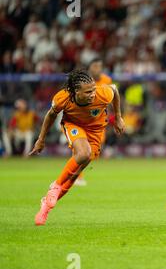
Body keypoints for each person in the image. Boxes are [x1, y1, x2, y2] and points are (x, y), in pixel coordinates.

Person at [29, 69, 125, 226]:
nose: (93, 94)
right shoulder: (63, 98)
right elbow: (51, 115)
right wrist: (41, 139)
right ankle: (56, 185)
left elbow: (114, 90)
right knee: (83, 153)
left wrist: (119, 118)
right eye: (88, 92)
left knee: (74, 175)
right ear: (75, 91)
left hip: (96, 131)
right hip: (73, 125)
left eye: (93, 90)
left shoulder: (102, 93)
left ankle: (46, 206)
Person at [71, 58, 113, 186]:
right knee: (81, 148)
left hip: (98, 120)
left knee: (94, 151)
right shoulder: (82, 82)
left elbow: (110, 97)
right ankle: (75, 177)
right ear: (89, 68)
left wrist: (112, 115)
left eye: (100, 66)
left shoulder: (107, 80)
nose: (98, 69)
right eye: (95, 66)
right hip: (81, 119)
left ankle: (74, 174)